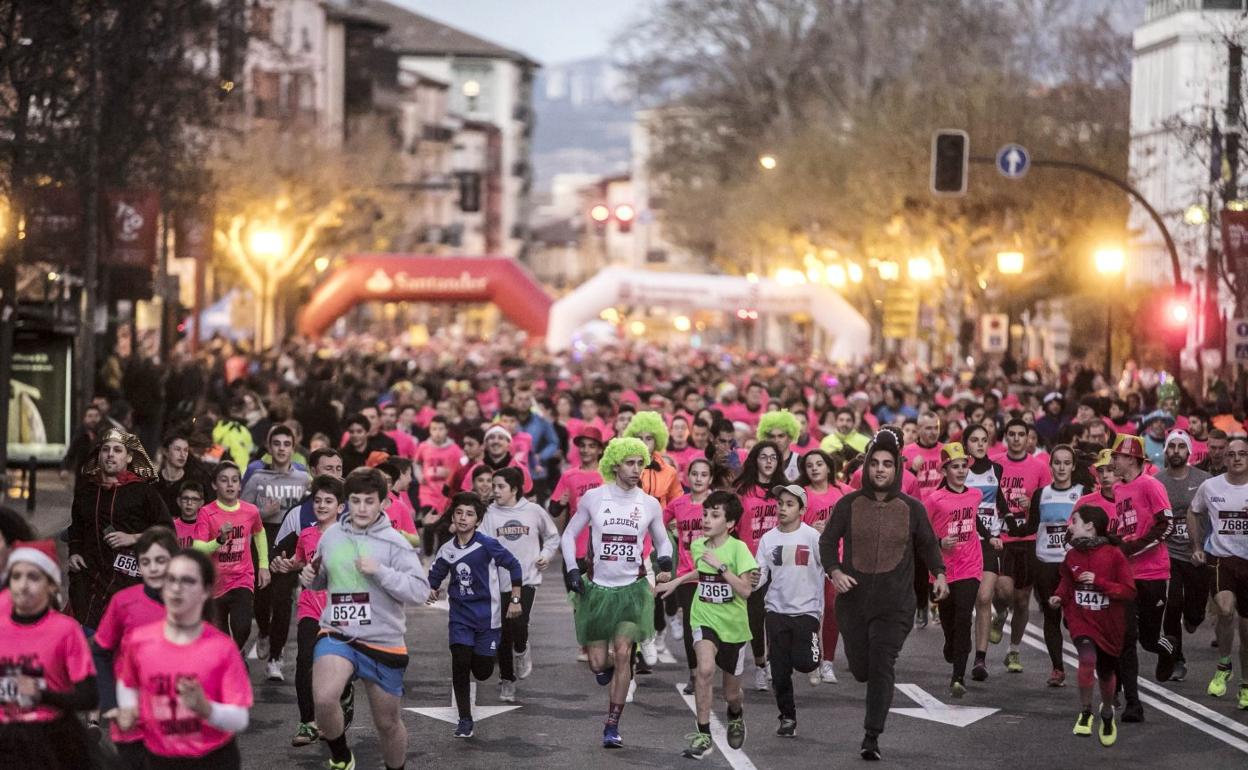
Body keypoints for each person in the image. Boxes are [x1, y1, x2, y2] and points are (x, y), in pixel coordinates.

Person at [818, 429, 948, 761]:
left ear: (897, 469)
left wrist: (941, 575)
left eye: (887, 464)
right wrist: (834, 571)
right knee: (861, 669)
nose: (880, 470)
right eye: (875, 463)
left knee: (881, 663)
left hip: (895, 604)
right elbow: (827, 542)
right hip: (853, 603)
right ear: (866, 467)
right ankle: (869, 701)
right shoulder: (848, 504)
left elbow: (929, 545)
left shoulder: (912, 508)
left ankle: (871, 735)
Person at [301, 467, 431, 770]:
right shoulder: (331, 535)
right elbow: (321, 579)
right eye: (355, 500)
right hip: (337, 631)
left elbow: (419, 591)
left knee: (387, 724)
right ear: (347, 502)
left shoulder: (395, 543)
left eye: (369, 501)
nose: (361, 508)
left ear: (382, 503)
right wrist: (311, 577)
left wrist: (381, 571)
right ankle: (341, 757)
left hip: (383, 639)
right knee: (323, 698)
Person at [561, 436, 673, 750]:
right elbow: (569, 535)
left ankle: (612, 724)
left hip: (632, 591)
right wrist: (572, 569)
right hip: (597, 591)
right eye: (630, 462)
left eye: (641, 462)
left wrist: (664, 558)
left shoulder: (649, 504)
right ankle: (609, 667)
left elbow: (663, 540)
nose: (637, 468)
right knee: (598, 664)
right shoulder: (594, 498)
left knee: (624, 652)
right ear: (615, 464)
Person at [114, 549, 253, 769]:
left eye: (188, 581)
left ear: (206, 591)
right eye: (172, 580)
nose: (178, 588)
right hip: (158, 757)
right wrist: (128, 708)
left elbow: (239, 718)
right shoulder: (139, 641)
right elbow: (127, 683)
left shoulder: (222, 647)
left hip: (211, 758)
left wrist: (206, 709)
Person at [655, 489, 757, 759]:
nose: (707, 520)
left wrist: (723, 568)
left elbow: (746, 590)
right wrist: (677, 581)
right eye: (705, 514)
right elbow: (701, 570)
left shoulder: (739, 549)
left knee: (731, 693)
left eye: (715, 515)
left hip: (733, 626)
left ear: (731, 523)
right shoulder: (699, 545)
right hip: (704, 617)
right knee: (704, 670)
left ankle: (735, 714)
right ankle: (703, 735)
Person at [427, 492, 523, 737]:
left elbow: (514, 566)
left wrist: (515, 599)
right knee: (459, 664)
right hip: (460, 618)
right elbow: (434, 577)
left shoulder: (487, 545)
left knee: (482, 671)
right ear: (453, 516)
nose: (463, 518)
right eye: (459, 512)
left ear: (478, 521)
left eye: (469, 514)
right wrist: (431, 589)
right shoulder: (447, 550)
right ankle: (465, 719)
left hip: (488, 618)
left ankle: (490, 655)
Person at [0, 540, 98, 770]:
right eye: (17, 577)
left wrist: (42, 693)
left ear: (51, 585)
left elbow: (89, 696)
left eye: (33, 577)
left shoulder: (65, 630)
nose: (23, 585)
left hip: (50, 740)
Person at [267, 474, 344, 747]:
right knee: (305, 661)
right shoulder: (307, 533)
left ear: (340, 507)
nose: (322, 505)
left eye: (329, 501)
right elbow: (301, 560)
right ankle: (307, 722)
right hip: (310, 607)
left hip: (339, 612)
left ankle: (337, 708)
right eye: (318, 500)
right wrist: (290, 565)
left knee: (338, 669)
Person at [67, 428, 170, 632]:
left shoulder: (143, 492)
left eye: (117, 450)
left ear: (129, 457)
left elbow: (167, 530)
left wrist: (133, 537)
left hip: (129, 580)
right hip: (90, 582)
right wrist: (74, 553)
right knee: (90, 642)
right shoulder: (86, 491)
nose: (110, 454)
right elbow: (76, 528)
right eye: (105, 450)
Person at [92, 526, 178, 769]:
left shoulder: (190, 602)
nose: (153, 567)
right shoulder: (123, 602)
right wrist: (110, 703)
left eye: (160, 560)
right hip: (130, 717)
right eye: (145, 561)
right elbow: (100, 652)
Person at [1049, 506, 1135, 748]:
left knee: (1107, 673)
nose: (1069, 526)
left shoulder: (1114, 555)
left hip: (1109, 624)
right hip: (1081, 621)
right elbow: (1066, 582)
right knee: (1087, 660)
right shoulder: (1072, 556)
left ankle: (1107, 711)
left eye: (1074, 521)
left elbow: (1128, 591)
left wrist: (1100, 582)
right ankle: (1086, 711)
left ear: (1089, 526)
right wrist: (1058, 597)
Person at [1003, 445, 1084, 686]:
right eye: (1057, 463)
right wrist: (1008, 525)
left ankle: (1088, 662)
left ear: (1073, 466)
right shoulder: (1041, 494)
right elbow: (1031, 527)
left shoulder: (1082, 492)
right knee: (1051, 615)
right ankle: (1058, 668)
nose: (1061, 467)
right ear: (1050, 467)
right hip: (1046, 563)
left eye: (1066, 463)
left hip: (1073, 564)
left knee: (1074, 618)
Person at [1111, 434, 1177, 723]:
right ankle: (1133, 703)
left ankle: (1169, 647)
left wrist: (1134, 547)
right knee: (1126, 638)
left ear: (1131, 459)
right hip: (1127, 576)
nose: (1113, 461)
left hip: (1153, 572)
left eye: (1117, 457)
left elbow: (1167, 525)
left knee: (1150, 640)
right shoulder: (1117, 490)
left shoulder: (1152, 485)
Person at [481, 467, 560, 702]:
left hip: (527, 579)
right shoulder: (489, 514)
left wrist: (545, 555)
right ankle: (507, 680)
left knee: (519, 622)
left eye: (500, 486)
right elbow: (482, 545)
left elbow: (552, 536)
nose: (495, 491)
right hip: (498, 582)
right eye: (493, 486)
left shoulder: (533, 511)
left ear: (514, 489)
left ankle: (522, 648)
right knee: (503, 633)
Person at [242, 424, 309, 679]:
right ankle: (263, 631)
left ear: (293, 449)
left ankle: (275, 657)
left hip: (290, 541)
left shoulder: (303, 479)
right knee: (261, 597)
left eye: (286, 444)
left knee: (283, 600)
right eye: (277, 444)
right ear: (269, 448)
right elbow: (242, 513)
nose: (282, 448)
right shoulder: (258, 479)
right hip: (263, 537)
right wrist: (262, 513)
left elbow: (310, 511)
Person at [757, 485, 824, 736]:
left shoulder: (812, 537)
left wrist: (839, 578)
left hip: (807, 610)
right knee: (780, 672)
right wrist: (754, 579)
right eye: (780, 503)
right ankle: (787, 717)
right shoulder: (768, 538)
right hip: (776, 610)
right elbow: (762, 572)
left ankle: (814, 660)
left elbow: (828, 565)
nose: (782, 508)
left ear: (802, 510)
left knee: (805, 663)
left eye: (789, 504)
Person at [1188, 435, 1248, 708]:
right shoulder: (1210, 486)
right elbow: (1193, 511)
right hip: (1221, 558)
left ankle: (1245, 685)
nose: (1236, 458)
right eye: (1232, 454)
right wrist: (1198, 545)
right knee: (1224, 609)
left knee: (1246, 630)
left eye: (1242, 454)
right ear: (1224, 459)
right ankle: (1224, 664)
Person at [994, 418, 1052, 675]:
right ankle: (999, 611)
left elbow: (1049, 500)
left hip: (1028, 539)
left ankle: (1014, 650)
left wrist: (1033, 505)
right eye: (1012, 434)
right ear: (1006, 437)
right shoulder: (995, 465)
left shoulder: (1040, 467)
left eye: (1022, 435)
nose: (1017, 439)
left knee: (1022, 600)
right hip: (1002, 538)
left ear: (1029, 439)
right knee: (1004, 591)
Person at [924, 443, 984, 697]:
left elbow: (975, 520)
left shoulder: (976, 495)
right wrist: (939, 543)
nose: (960, 471)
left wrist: (991, 536)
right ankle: (951, 643)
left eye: (964, 466)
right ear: (944, 470)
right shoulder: (934, 499)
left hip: (971, 565)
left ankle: (958, 677)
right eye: (955, 467)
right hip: (942, 570)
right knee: (949, 620)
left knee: (963, 617)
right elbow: (922, 534)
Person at [1156, 430, 1211, 682]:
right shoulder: (1157, 482)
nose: (1176, 451)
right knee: (1172, 604)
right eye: (1172, 447)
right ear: (1166, 451)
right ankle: (1176, 659)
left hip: (1197, 553)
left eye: (1181, 447)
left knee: (1195, 610)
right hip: (1169, 554)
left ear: (1189, 452)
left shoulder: (1204, 480)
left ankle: (1194, 617)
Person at [203, 462, 269, 649]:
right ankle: (233, 660)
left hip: (242, 578)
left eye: (234, 480)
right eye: (224, 480)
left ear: (240, 485)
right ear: (215, 485)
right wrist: (218, 540)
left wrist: (263, 565)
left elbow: (259, 532)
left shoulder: (250, 511)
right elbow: (198, 548)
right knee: (220, 636)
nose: (230, 485)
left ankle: (235, 653)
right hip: (215, 582)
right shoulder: (206, 513)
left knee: (242, 628)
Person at [734, 441, 782, 691]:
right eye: (763, 457)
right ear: (755, 460)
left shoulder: (785, 490)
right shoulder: (743, 490)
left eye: (773, 457)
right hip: (750, 563)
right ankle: (761, 665)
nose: (768, 461)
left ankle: (773, 662)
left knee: (776, 617)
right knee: (755, 618)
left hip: (779, 562)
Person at [962, 424, 1008, 681]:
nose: (980, 444)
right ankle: (958, 647)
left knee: (984, 597)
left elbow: (999, 498)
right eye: (974, 440)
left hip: (990, 542)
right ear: (966, 444)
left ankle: (980, 659)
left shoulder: (996, 469)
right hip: (965, 540)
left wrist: (1009, 516)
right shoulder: (959, 471)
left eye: (983, 440)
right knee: (963, 601)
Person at [665, 457, 713, 693]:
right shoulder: (678, 504)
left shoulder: (717, 504)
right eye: (695, 474)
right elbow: (657, 524)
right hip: (686, 574)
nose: (699, 478)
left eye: (704, 474)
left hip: (714, 573)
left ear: (710, 479)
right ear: (687, 477)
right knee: (690, 623)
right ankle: (694, 675)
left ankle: (710, 668)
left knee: (712, 624)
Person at [798, 449, 847, 685]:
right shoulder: (803, 494)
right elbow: (790, 525)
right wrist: (811, 528)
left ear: (829, 467)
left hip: (834, 561)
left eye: (819, 463)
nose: (815, 468)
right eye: (810, 465)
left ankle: (828, 662)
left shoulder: (842, 493)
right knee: (811, 612)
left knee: (832, 610)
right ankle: (812, 658)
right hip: (808, 561)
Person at [413, 415, 464, 515]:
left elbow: (462, 466)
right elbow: (416, 463)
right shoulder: (423, 446)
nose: (437, 432)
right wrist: (419, 476)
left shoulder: (454, 449)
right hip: (427, 493)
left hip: (446, 495)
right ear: (430, 430)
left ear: (447, 430)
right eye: (434, 429)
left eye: (441, 429)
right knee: (427, 520)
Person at [758, 410, 803, 481]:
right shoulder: (760, 462)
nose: (776, 440)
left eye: (781, 436)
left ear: (790, 437)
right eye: (772, 436)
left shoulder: (800, 462)